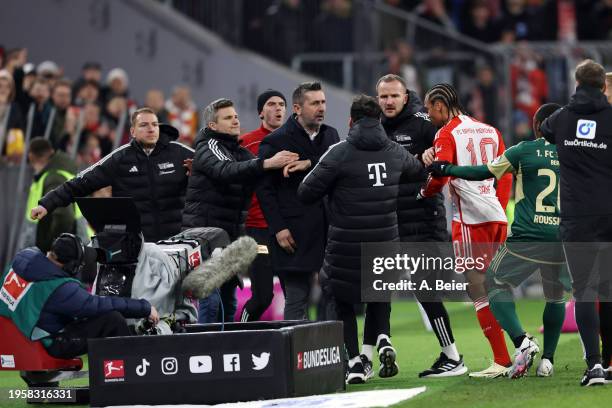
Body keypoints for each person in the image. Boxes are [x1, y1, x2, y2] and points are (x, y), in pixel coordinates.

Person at [428, 103, 570, 379]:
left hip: (530, 235)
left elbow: (484, 172)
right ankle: (548, 361)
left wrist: (449, 168)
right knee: (555, 297)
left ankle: (522, 341)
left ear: (538, 126)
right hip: (562, 236)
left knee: (492, 283)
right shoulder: (573, 154)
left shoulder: (523, 150)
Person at [298, 95, 423, 383]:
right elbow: (417, 172)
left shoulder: (338, 152)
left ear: (351, 121)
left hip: (346, 247)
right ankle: (380, 339)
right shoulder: (394, 151)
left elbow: (306, 192)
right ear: (379, 120)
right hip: (385, 241)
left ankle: (355, 361)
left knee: (341, 300)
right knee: (378, 295)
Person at [420, 83, 513, 378]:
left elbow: (440, 174)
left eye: (428, 108)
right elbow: (505, 176)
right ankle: (519, 346)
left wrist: (424, 193)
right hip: (497, 216)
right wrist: (497, 207)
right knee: (497, 287)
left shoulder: (445, 133)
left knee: (478, 290)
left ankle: (506, 356)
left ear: (439, 105)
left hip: (470, 221)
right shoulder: (491, 131)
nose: (427, 113)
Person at [377, 74, 465, 377]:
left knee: (424, 286)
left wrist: (434, 155)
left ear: (405, 97)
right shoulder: (373, 126)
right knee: (379, 289)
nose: (388, 102)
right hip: (387, 219)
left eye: (393, 96)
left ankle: (453, 355)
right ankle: (375, 348)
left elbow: (450, 144)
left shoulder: (423, 123)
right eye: (383, 97)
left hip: (422, 218)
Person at [182, 98, 298, 323]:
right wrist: (266, 163)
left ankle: (227, 348)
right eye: (228, 117)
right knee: (211, 297)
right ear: (213, 126)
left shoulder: (237, 150)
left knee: (228, 298)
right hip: (205, 234)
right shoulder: (209, 145)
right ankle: (205, 347)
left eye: (235, 116)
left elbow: (256, 172)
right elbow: (226, 170)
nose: (235, 119)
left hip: (228, 235)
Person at [540, 59, 612, 386]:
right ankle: (609, 364)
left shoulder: (562, 119)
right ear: (603, 86)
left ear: (576, 83)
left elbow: (545, 128)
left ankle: (594, 366)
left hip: (577, 217)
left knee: (585, 290)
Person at [30, 108, 194, 243]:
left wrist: (197, 175)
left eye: (154, 124)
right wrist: (46, 204)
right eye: (144, 125)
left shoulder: (179, 153)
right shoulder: (120, 158)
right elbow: (81, 182)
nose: (151, 129)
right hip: (138, 245)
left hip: (176, 242)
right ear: (133, 131)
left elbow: (214, 172)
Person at [257, 81, 340, 320]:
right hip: (293, 232)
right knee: (296, 299)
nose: (321, 108)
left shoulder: (330, 134)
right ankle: (296, 356)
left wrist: (308, 163)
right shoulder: (276, 141)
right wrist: (278, 228)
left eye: (323, 102)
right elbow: (264, 190)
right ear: (297, 108)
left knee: (333, 297)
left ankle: (334, 353)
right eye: (315, 103)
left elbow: (335, 168)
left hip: (328, 229)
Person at [0, 233, 158, 359]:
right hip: (49, 343)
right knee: (112, 320)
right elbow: (98, 305)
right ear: (70, 265)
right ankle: (129, 376)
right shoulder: (60, 289)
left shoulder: (23, 257)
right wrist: (144, 307)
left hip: (14, 332)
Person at [238, 89, 287, 322]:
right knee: (263, 297)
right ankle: (240, 335)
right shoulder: (246, 143)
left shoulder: (294, 140)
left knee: (295, 294)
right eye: (271, 104)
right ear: (260, 112)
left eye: (281, 104)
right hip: (257, 229)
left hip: (289, 228)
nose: (278, 108)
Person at [21, 137, 88, 252]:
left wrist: (51, 247)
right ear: (51, 151)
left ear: (31, 157)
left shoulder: (54, 178)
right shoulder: (62, 171)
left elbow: (64, 217)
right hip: (73, 242)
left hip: (58, 252)